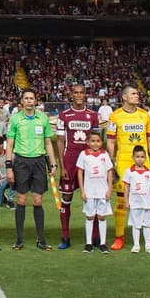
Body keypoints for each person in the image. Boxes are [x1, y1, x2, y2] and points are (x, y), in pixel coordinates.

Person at [106, 85, 150, 251]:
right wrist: (110, 163)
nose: (137, 96)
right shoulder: (115, 116)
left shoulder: (145, 115)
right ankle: (119, 237)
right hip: (123, 163)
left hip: (144, 163)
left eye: (137, 93)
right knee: (122, 200)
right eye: (134, 93)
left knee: (147, 199)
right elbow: (110, 142)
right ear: (124, 97)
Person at [5, 87, 56, 251]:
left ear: (36, 101)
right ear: (22, 101)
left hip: (39, 162)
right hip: (21, 162)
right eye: (26, 98)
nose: (29, 101)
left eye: (31, 98)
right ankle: (19, 239)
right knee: (21, 200)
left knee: (37, 201)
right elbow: (10, 145)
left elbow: (48, 143)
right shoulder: (15, 119)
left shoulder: (43, 119)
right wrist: (8, 167)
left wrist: (53, 164)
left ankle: (41, 240)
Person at [55, 82, 100, 249]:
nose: (79, 95)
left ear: (85, 95)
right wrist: (62, 166)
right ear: (71, 95)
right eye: (76, 92)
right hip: (70, 161)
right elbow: (60, 141)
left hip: (89, 161)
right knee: (66, 198)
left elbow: (97, 140)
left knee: (93, 198)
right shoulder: (64, 115)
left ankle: (95, 237)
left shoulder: (92, 115)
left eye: (82, 92)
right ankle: (65, 237)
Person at [75, 130, 114, 253]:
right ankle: (88, 244)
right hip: (89, 192)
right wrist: (82, 191)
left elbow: (109, 172)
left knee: (102, 217)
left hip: (102, 192)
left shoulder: (105, 155)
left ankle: (103, 243)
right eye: (92, 141)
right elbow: (80, 173)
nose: (95, 143)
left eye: (98, 141)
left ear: (102, 142)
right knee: (90, 216)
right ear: (87, 142)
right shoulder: (83, 155)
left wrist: (109, 189)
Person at [120, 145, 150, 253]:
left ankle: (148, 245)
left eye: (142, 157)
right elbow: (126, 187)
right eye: (137, 157)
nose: (140, 159)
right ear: (133, 157)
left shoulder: (149, 172)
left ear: (145, 158)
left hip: (147, 204)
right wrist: (126, 201)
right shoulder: (129, 172)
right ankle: (136, 245)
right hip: (134, 203)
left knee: (147, 225)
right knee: (136, 225)